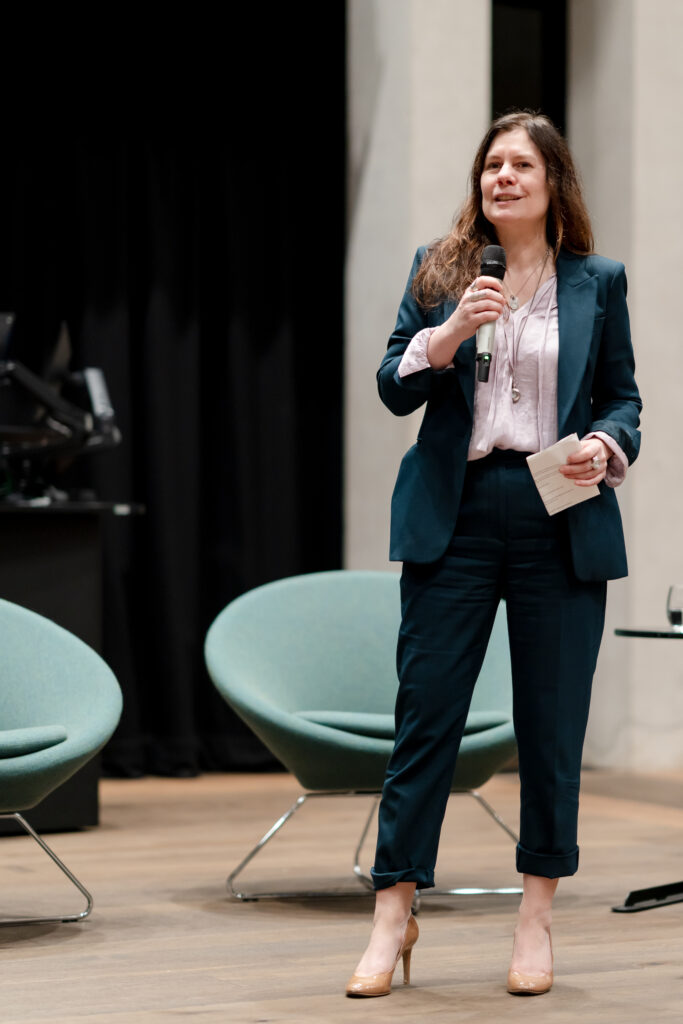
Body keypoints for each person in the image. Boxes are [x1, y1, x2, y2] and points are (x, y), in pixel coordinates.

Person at [345, 110, 641, 999]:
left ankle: (535, 915)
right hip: (457, 511)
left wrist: (605, 446)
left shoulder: (598, 280)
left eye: (519, 165)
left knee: (551, 729)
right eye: (490, 166)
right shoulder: (441, 271)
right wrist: (444, 339)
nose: (500, 178)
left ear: (553, 182)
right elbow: (392, 385)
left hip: (558, 506)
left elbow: (624, 399)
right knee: (424, 719)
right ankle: (392, 912)